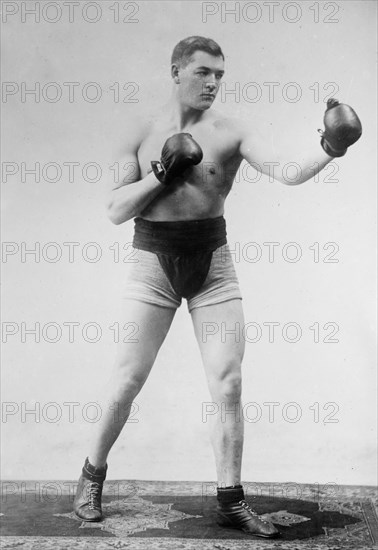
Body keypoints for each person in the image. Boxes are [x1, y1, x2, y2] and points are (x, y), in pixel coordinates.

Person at [73, 36, 362, 538]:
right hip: (152, 263)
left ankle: (231, 500)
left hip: (213, 264)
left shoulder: (231, 132)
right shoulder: (140, 131)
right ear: (176, 71)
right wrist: (163, 170)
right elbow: (116, 210)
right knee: (126, 379)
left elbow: (286, 172)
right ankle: (91, 476)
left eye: (220, 75)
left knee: (227, 381)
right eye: (204, 72)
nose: (212, 83)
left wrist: (329, 148)